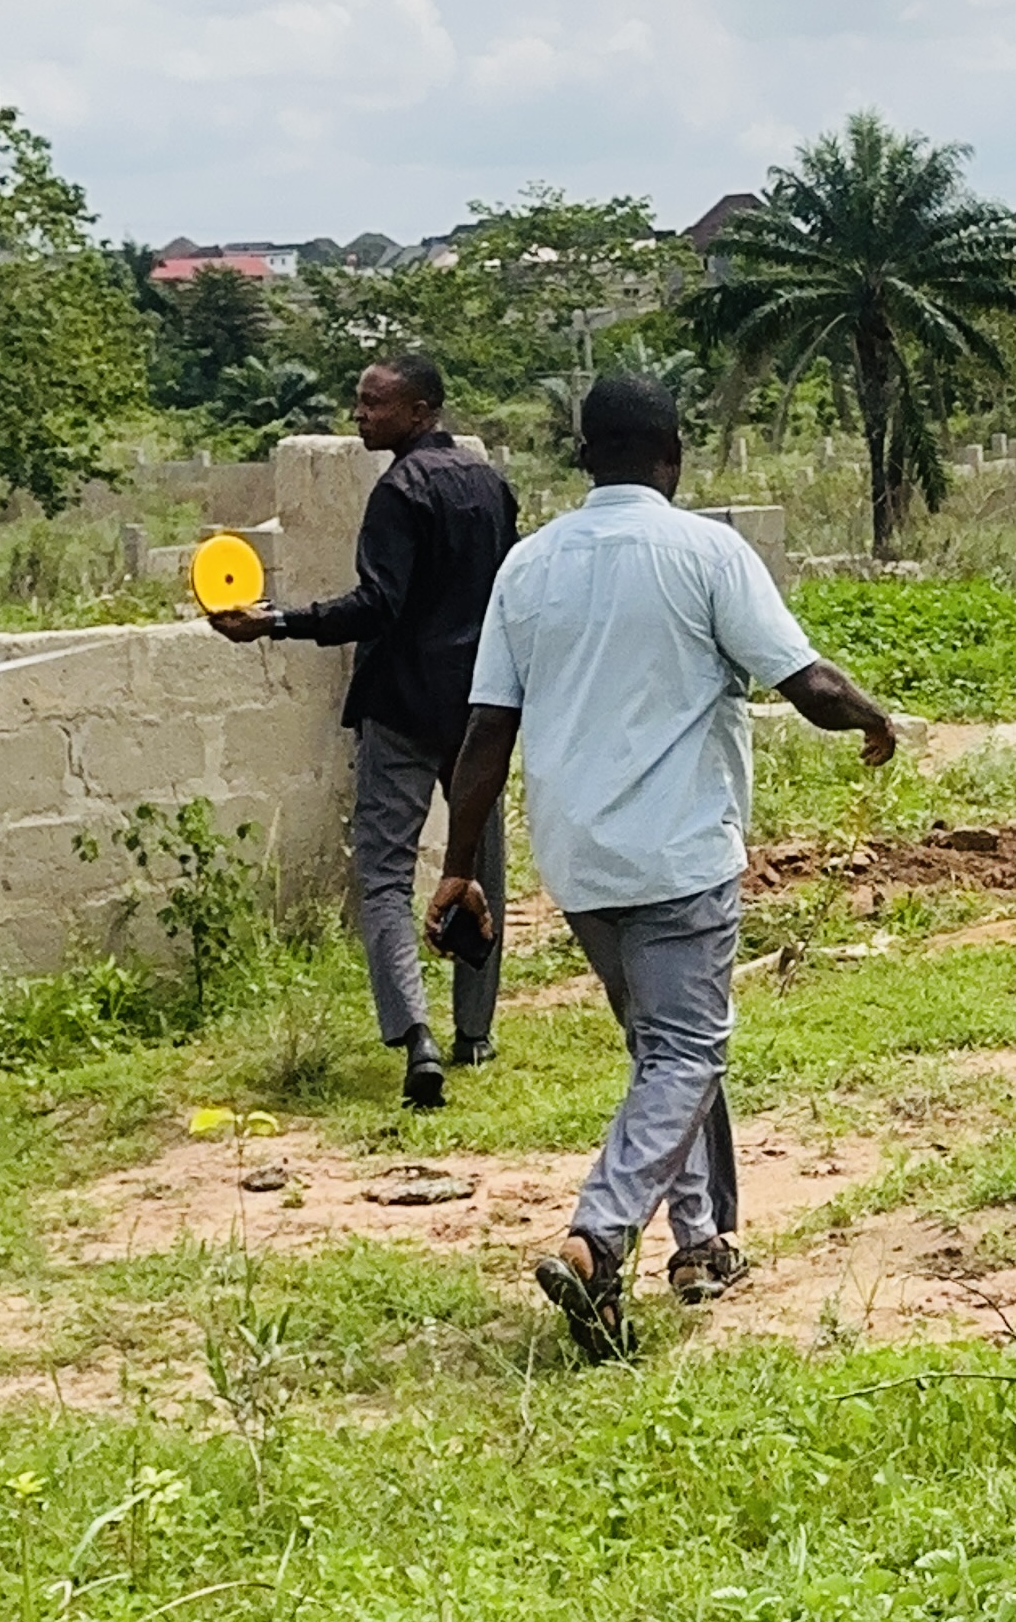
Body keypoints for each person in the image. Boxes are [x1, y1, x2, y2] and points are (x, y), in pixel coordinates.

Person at [427, 372, 899, 1360]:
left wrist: (457, 866)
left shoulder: (528, 567)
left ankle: (701, 1245)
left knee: (668, 1056)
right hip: (680, 852)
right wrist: (872, 718)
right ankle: (598, 1239)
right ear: (671, 457)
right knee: (685, 1053)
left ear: (584, 455)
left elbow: (483, 735)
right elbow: (805, 682)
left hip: (580, 859)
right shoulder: (704, 552)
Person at [209, 351, 517, 1111]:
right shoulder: (491, 487)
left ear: (419, 412)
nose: (358, 415)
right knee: (480, 859)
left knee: (382, 874)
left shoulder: (399, 492)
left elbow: (377, 605)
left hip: (404, 706)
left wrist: (277, 620)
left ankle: (417, 1038)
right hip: (480, 708)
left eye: (373, 404)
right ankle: (474, 1034)